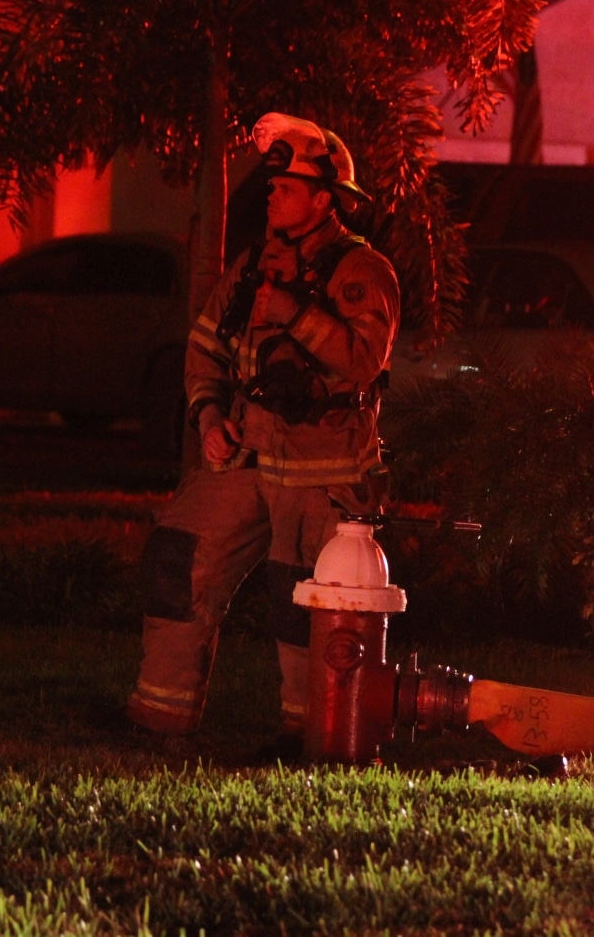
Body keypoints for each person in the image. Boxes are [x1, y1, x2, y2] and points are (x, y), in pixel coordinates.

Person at [126, 112, 401, 742]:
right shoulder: (255, 265)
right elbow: (204, 348)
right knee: (179, 558)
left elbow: (365, 359)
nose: (271, 195)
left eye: (286, 187)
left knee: (302, 602)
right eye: (272, 186)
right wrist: (209, 415)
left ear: (324, 199)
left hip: (323, 474)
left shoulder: (363, 272)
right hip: (246, 455)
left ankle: (313, 736)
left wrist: (294, 314)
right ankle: (159, 715)